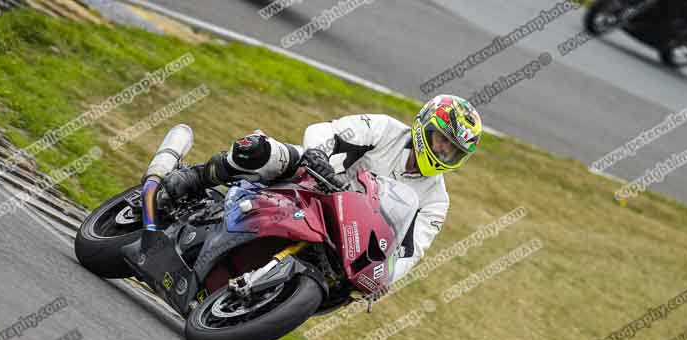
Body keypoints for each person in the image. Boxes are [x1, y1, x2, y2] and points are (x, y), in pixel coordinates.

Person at [162, 94, 482, 283]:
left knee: (342, 289)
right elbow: (325, 131)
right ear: (425, 126)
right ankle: (195, 178)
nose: (443, 153)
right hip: (313, 184)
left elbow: (411, 251)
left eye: (453, 152)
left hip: (347, 239)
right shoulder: (384, 129)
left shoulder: (436, 200)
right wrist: (318, 154)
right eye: (442, 141)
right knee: (262, 150)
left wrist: (384, 276)